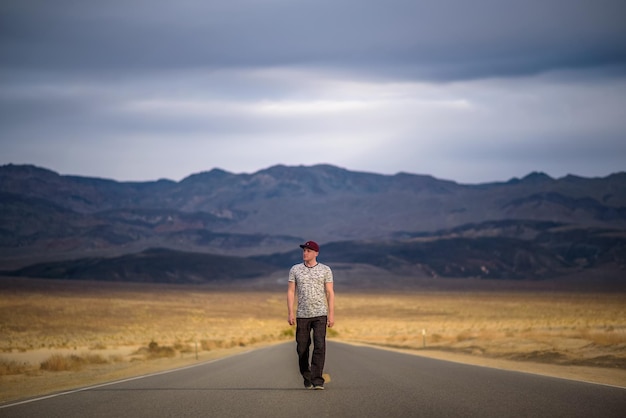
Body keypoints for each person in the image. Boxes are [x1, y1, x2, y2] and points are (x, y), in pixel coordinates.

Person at [287, 240, 334, 390]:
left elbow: (329, 292)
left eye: (308, 251)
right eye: (304, 250)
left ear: (316, 253)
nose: (305, 253)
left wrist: (331, 314)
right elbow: (291, 291)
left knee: (319, 346)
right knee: (302, 348)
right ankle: (306, 375)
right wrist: (290, 312)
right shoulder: (295, 269)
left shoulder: (325, 270)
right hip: (302, 315)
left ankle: (317, 380)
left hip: (320, 314)